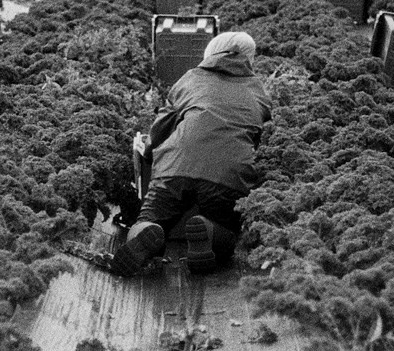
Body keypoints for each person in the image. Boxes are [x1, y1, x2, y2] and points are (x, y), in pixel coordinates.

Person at [107, 31, 271, 277]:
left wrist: (150, 153)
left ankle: (146, 233)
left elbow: (162, 127)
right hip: (227, 174)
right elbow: (261, 139)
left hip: (176, 165)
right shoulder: (258, 90)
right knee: (229, 229)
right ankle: (209, 231)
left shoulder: (191, 78)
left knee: (150, 216)